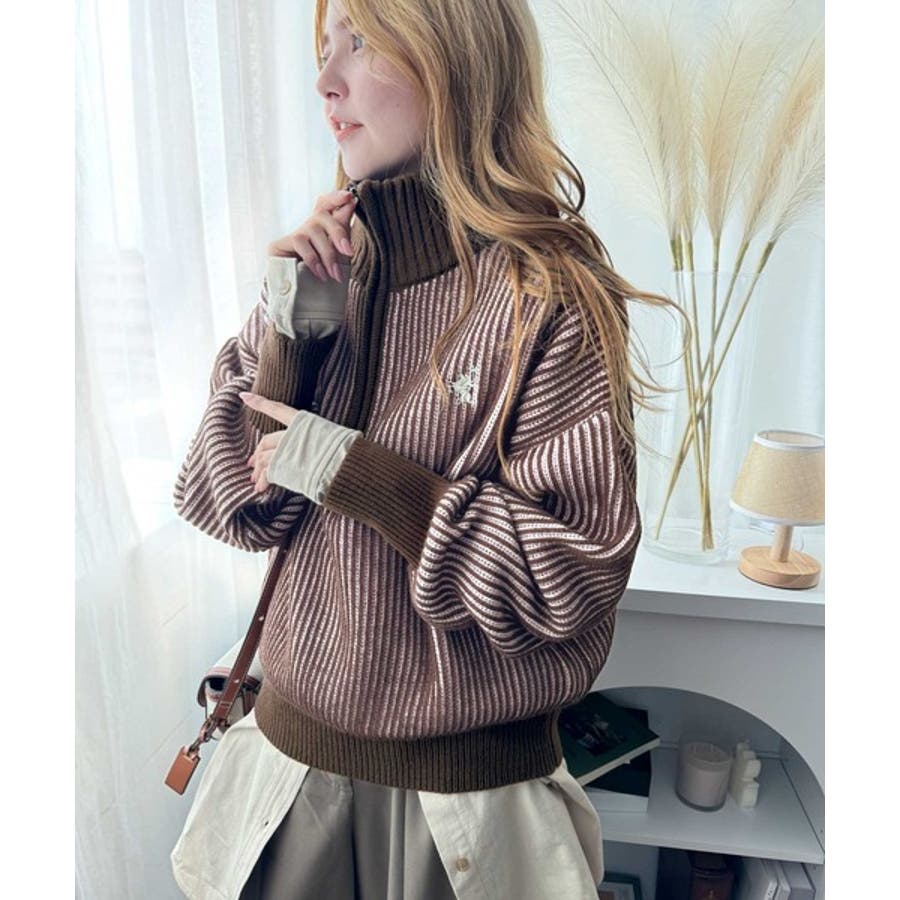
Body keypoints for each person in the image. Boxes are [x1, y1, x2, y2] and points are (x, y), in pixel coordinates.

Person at [170, 0, 677, 897]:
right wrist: (293, 335)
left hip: (463, 813)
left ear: (455, 51)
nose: (325, 82)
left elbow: (566, 580)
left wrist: (364, 478)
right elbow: (229, 505)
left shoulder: (547, 295)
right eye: (324, 47)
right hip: (290, 781)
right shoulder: (328, 272)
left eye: (360, 42)